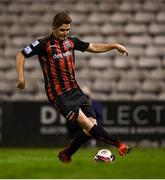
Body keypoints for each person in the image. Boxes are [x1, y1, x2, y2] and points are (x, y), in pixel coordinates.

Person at [16, 12, 132, 163]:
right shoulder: (43, 44)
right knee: (87, 124)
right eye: (62, 30)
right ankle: (119, 144)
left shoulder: (72, 42)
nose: (65, 33)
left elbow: (93, 47)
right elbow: (21, 55)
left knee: (92, 126)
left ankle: (67, 153)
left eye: (67, 30)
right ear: (54, 28)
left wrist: (115, 45)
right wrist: (21, 78)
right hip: (59, 95)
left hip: (75, 90)